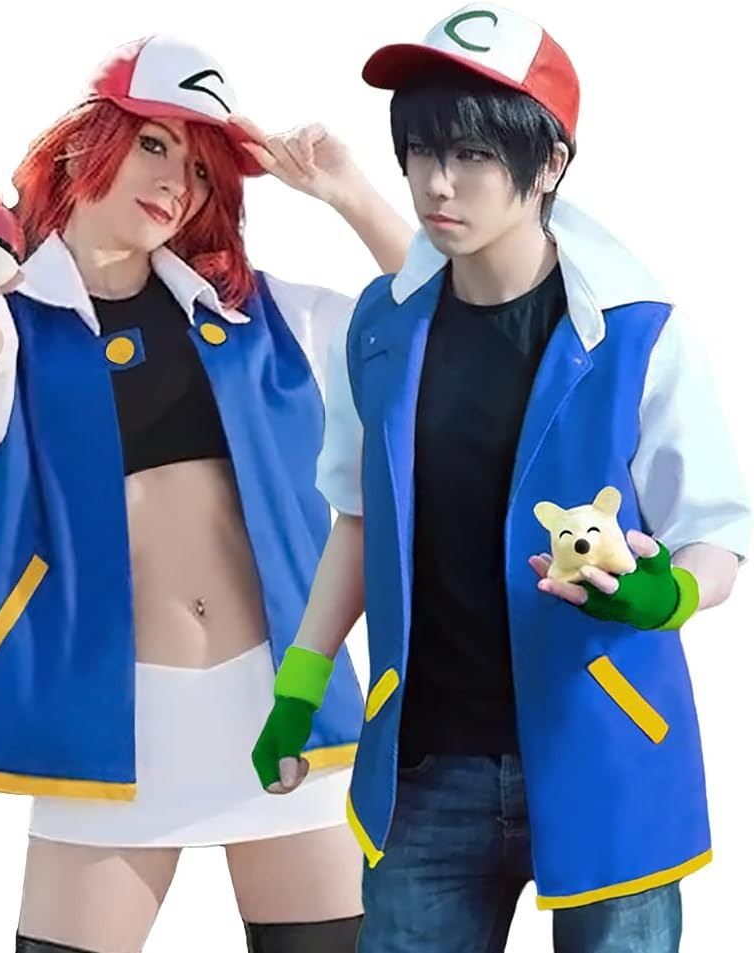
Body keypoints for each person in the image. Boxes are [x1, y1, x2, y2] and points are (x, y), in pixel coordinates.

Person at [251, 5, 751, 951]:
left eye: (474, 154)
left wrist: (668, 593)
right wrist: (300, 683)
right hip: (425, 769)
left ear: (549, 164)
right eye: (421, 151)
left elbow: (717, 532)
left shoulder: (637, 333)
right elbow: (358, 519)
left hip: (602, 750)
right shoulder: (379, 329)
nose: (438, 183)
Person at [0, 34, 412, 953]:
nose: (177, 181)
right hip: (113, 721)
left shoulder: (264, 311)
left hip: (276, 712)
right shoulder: (19, 321)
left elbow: (436, 320)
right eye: (153, 144)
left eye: (200, 167)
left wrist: (345, 190)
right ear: (82, 146)